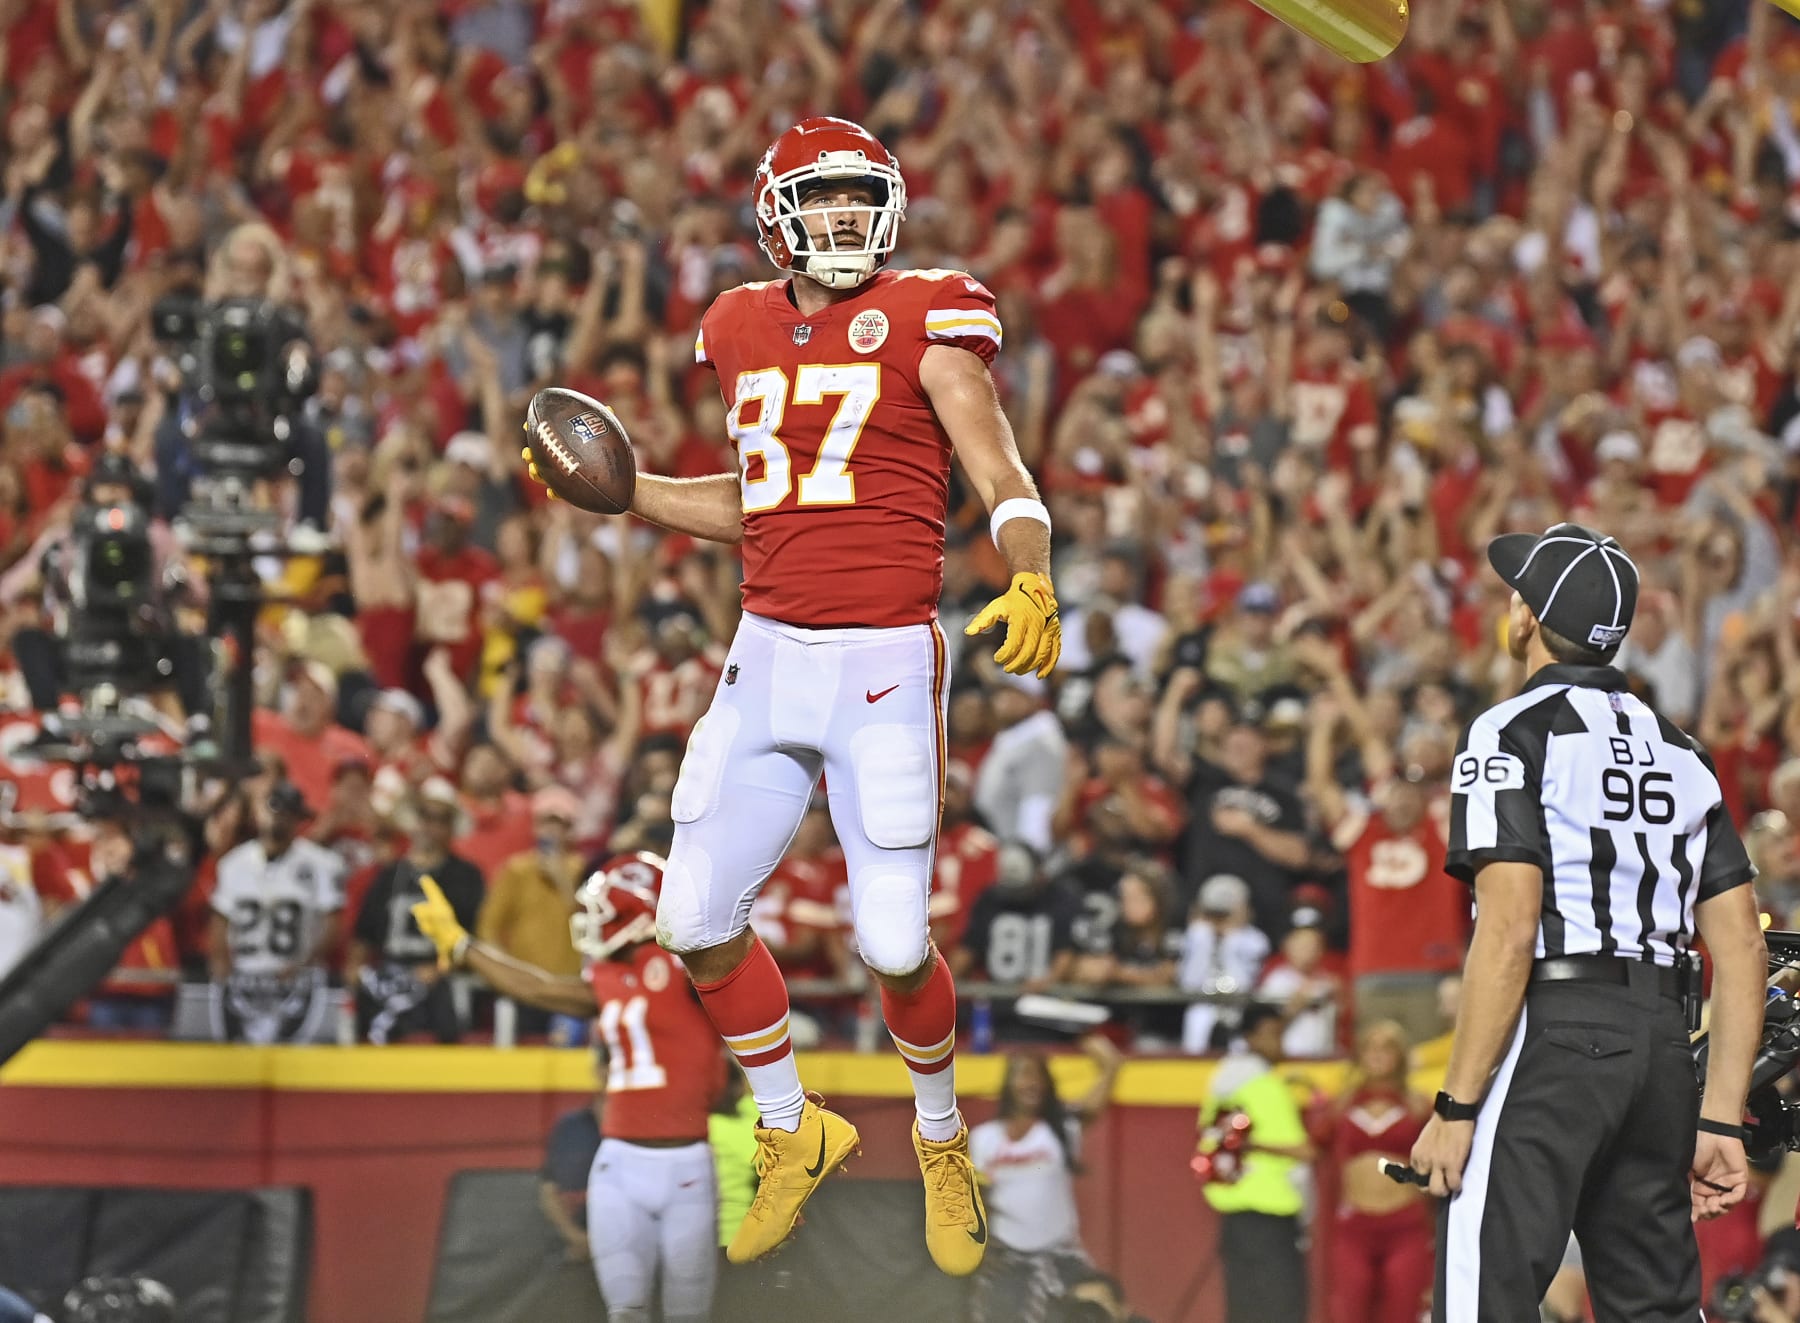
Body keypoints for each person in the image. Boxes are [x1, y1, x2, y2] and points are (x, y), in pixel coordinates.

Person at [524, 115, 1063, 1275]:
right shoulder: (736, 322)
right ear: (775, 213)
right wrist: (631, 498)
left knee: (889, 939)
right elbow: (765, 500)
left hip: (881, 657)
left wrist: (1031, 567)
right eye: (821, 198)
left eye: (859, 196)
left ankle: (938, 1139)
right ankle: (790, 1125)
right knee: (690, 920)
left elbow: (997, 461)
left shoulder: (929, 312)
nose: (842, 218)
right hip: (766, 645)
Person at [1409, 523, 1766, 1323]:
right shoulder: (1682, 752)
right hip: (1664, 1049)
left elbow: (1508, 931)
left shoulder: (1507, 731)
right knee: (1659, 1307)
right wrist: (1720, 1113)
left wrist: (1456, 1107)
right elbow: (1740, 945)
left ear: (1526, 617)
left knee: (1480, 1297)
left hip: (1557, 1031)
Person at [412, 852, 726, 1323]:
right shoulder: (604, 977)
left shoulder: (691, 969)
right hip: (618, 1164)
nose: (592, 923)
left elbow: (742, 972)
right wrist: (462, 946)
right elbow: (536, 988)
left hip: (686, 1166)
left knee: (689, 1316)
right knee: (625, 1313)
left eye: (605, 912)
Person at [967, 1035, 1122, 1323]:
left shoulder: (1060, 1130)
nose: (1031, 1083)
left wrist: (1109, 1065)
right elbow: (976, 1204)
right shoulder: (983, 1138)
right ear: (1008, 1084)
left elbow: (1094, 1102)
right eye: (1023, 1074)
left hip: (1060, 1259)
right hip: (1006, 1264)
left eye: (1038, 1076)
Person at [1198, 1002, 1313, 1323]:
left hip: (1234, 1213)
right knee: (1282, 1310)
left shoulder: (1222, 1080)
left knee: (1244, 1308)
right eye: (1272, 1034)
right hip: (1272, 1211)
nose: (1279, 1043)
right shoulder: (1265, 1085)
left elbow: (1210, 1140)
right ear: (1249, 1038)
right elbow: (1302, 1150)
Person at [1312, 1021, 1432, 1323]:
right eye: (1370, 1048)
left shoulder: (1418, 1105)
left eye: (1387, 1048)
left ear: (1400, 1057)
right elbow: (1311, 1148)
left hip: (1406, 1224)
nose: (1378, 1056)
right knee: (1349, 1310)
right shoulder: (1342, 1104)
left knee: (1403, 1311)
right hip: (1355, 1227)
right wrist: (1253, 1145)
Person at [206, 782, 344, 1044]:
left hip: (295, 976)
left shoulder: (320, 864)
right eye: (275, 811)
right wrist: (221, 963)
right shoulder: (234, 863)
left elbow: (333, 922)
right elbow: (219, 918)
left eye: (288, 814)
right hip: (245, 973)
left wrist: (306, 963)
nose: (280, 820)